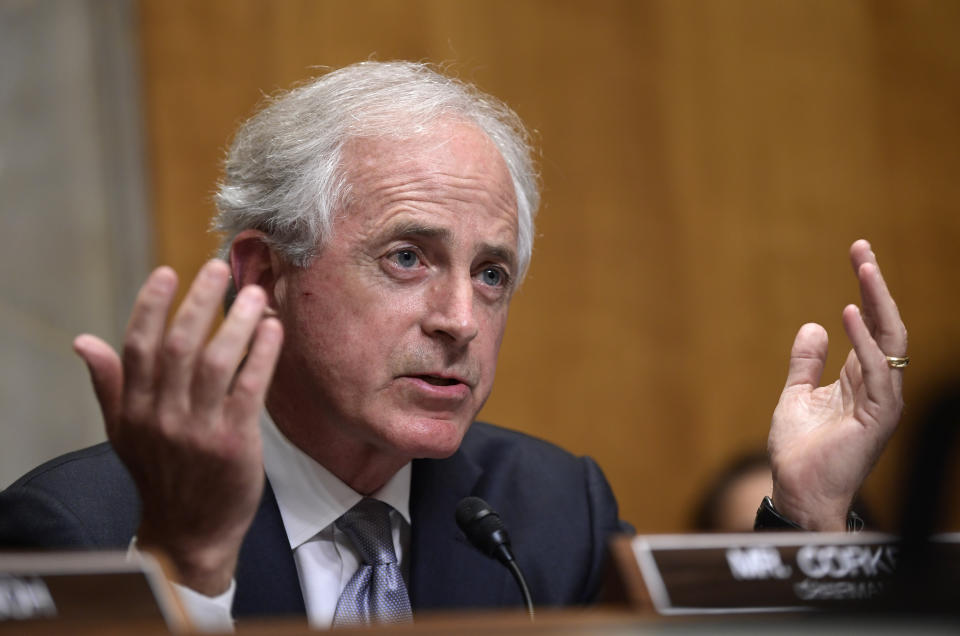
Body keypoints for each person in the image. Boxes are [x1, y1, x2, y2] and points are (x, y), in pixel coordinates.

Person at [0, 61, 908, 629]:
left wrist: (807, 518)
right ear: (260, 274)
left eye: (491, 274)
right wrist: (189, 563)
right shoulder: (79, 529)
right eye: (406, 257)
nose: (460, 321)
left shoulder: (551, 513)